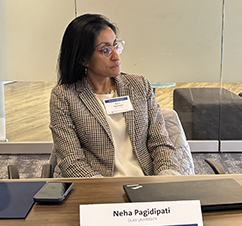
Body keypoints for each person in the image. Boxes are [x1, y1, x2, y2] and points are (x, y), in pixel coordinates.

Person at [49, 13, 189, 179]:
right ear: (83, 59)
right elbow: (71, 161)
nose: (116, 56)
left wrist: (165, 178)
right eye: (106, 50)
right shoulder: (65, 97)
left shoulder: (139, 86)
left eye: (116, 46)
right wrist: (104, 190)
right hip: (100, 186)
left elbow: (160, 143)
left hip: (148, 182)